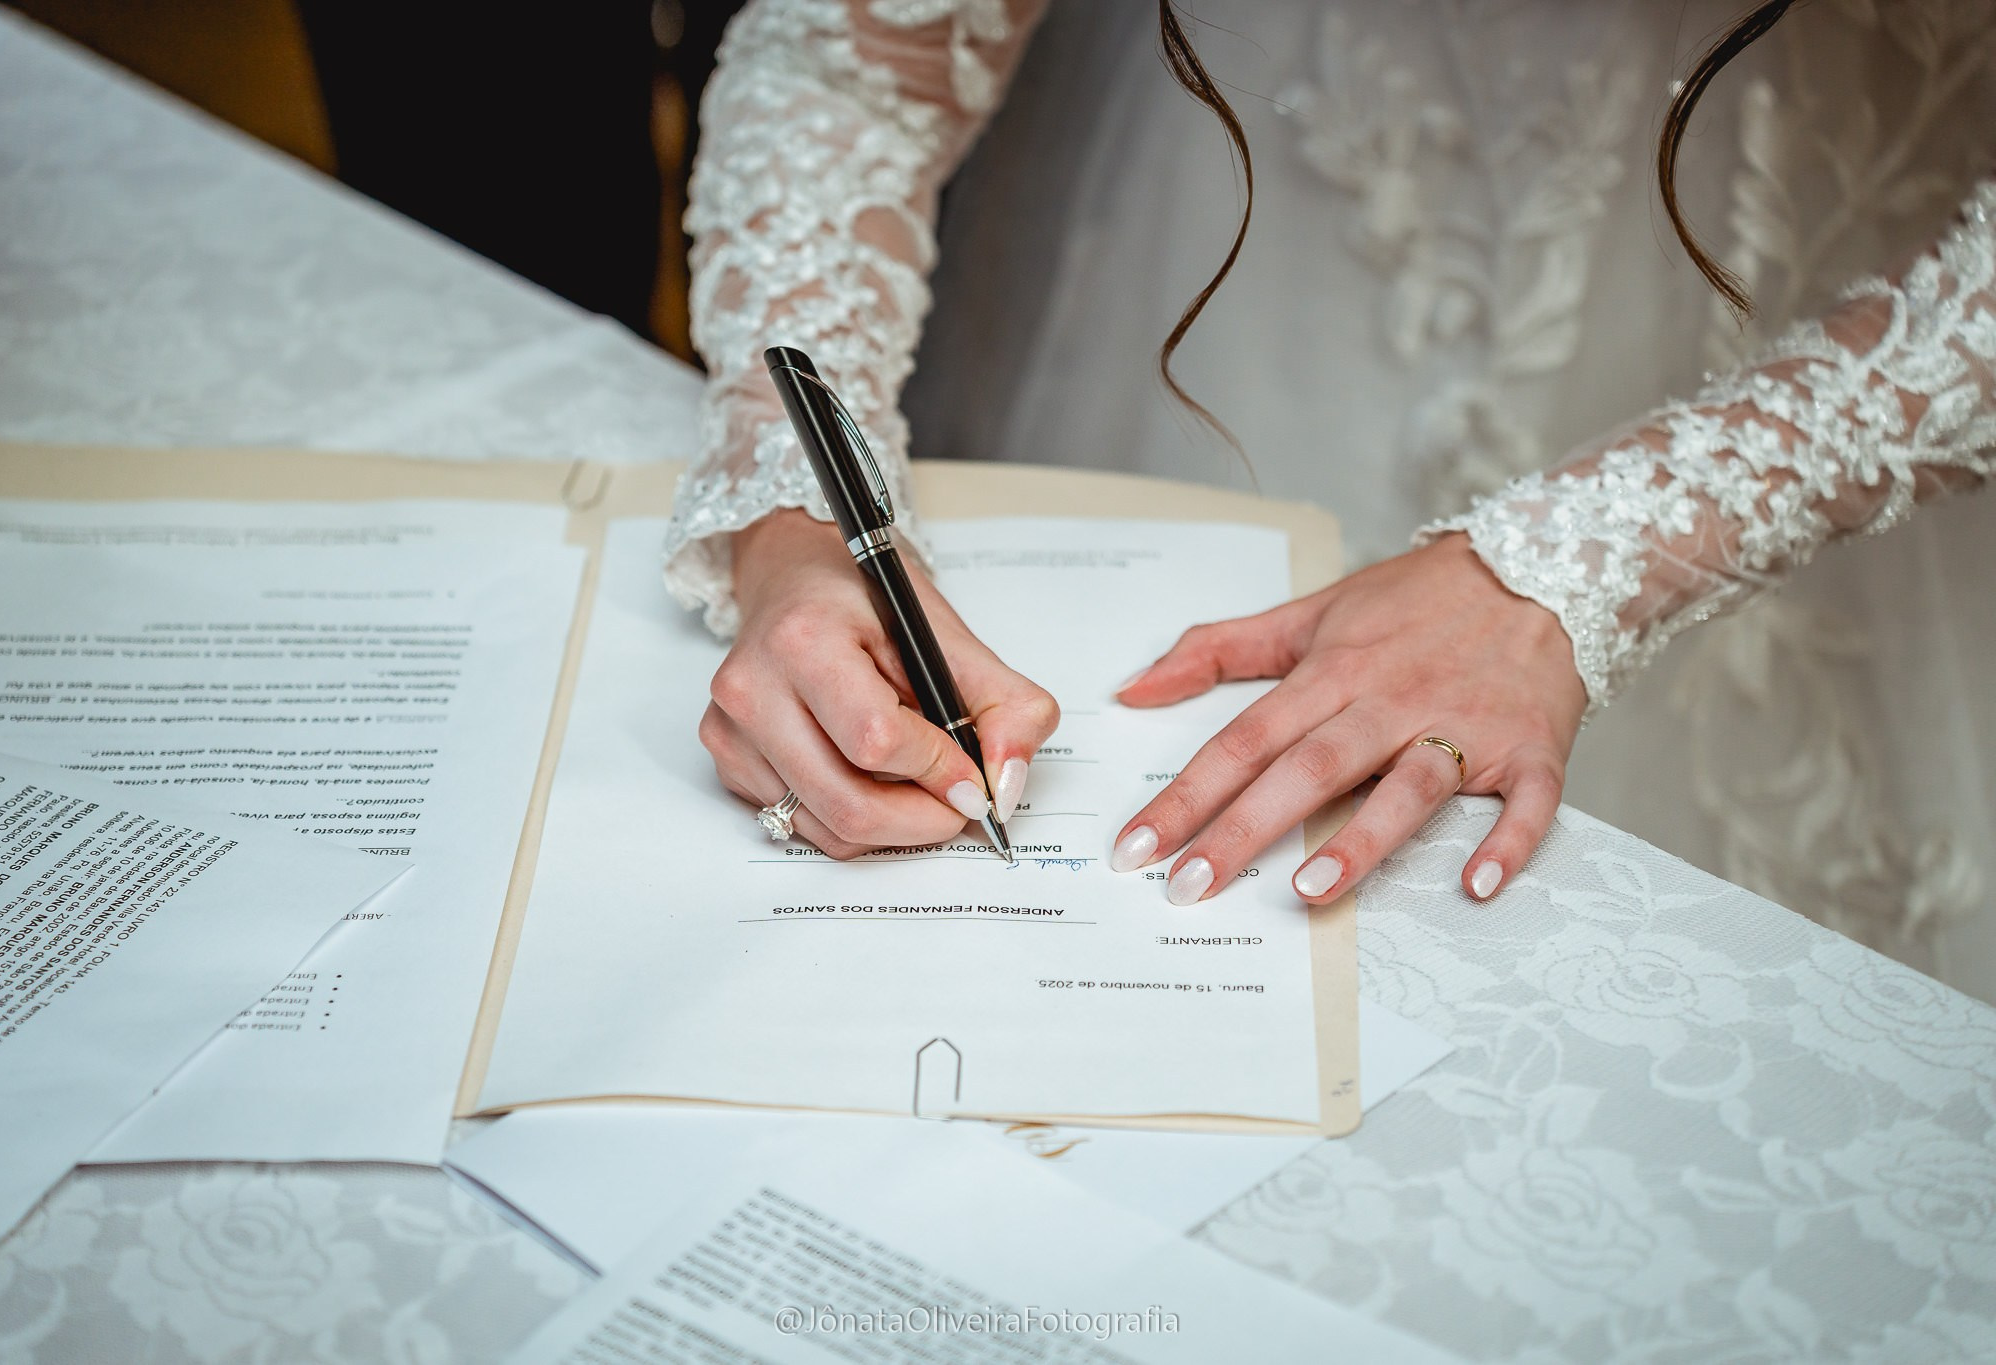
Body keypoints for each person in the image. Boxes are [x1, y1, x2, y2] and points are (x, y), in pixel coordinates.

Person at [665, 1, 1996, 979]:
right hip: (1233, 307)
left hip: (1824, 396)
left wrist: (1580, 558)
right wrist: (794, 522)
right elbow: (852, 64)